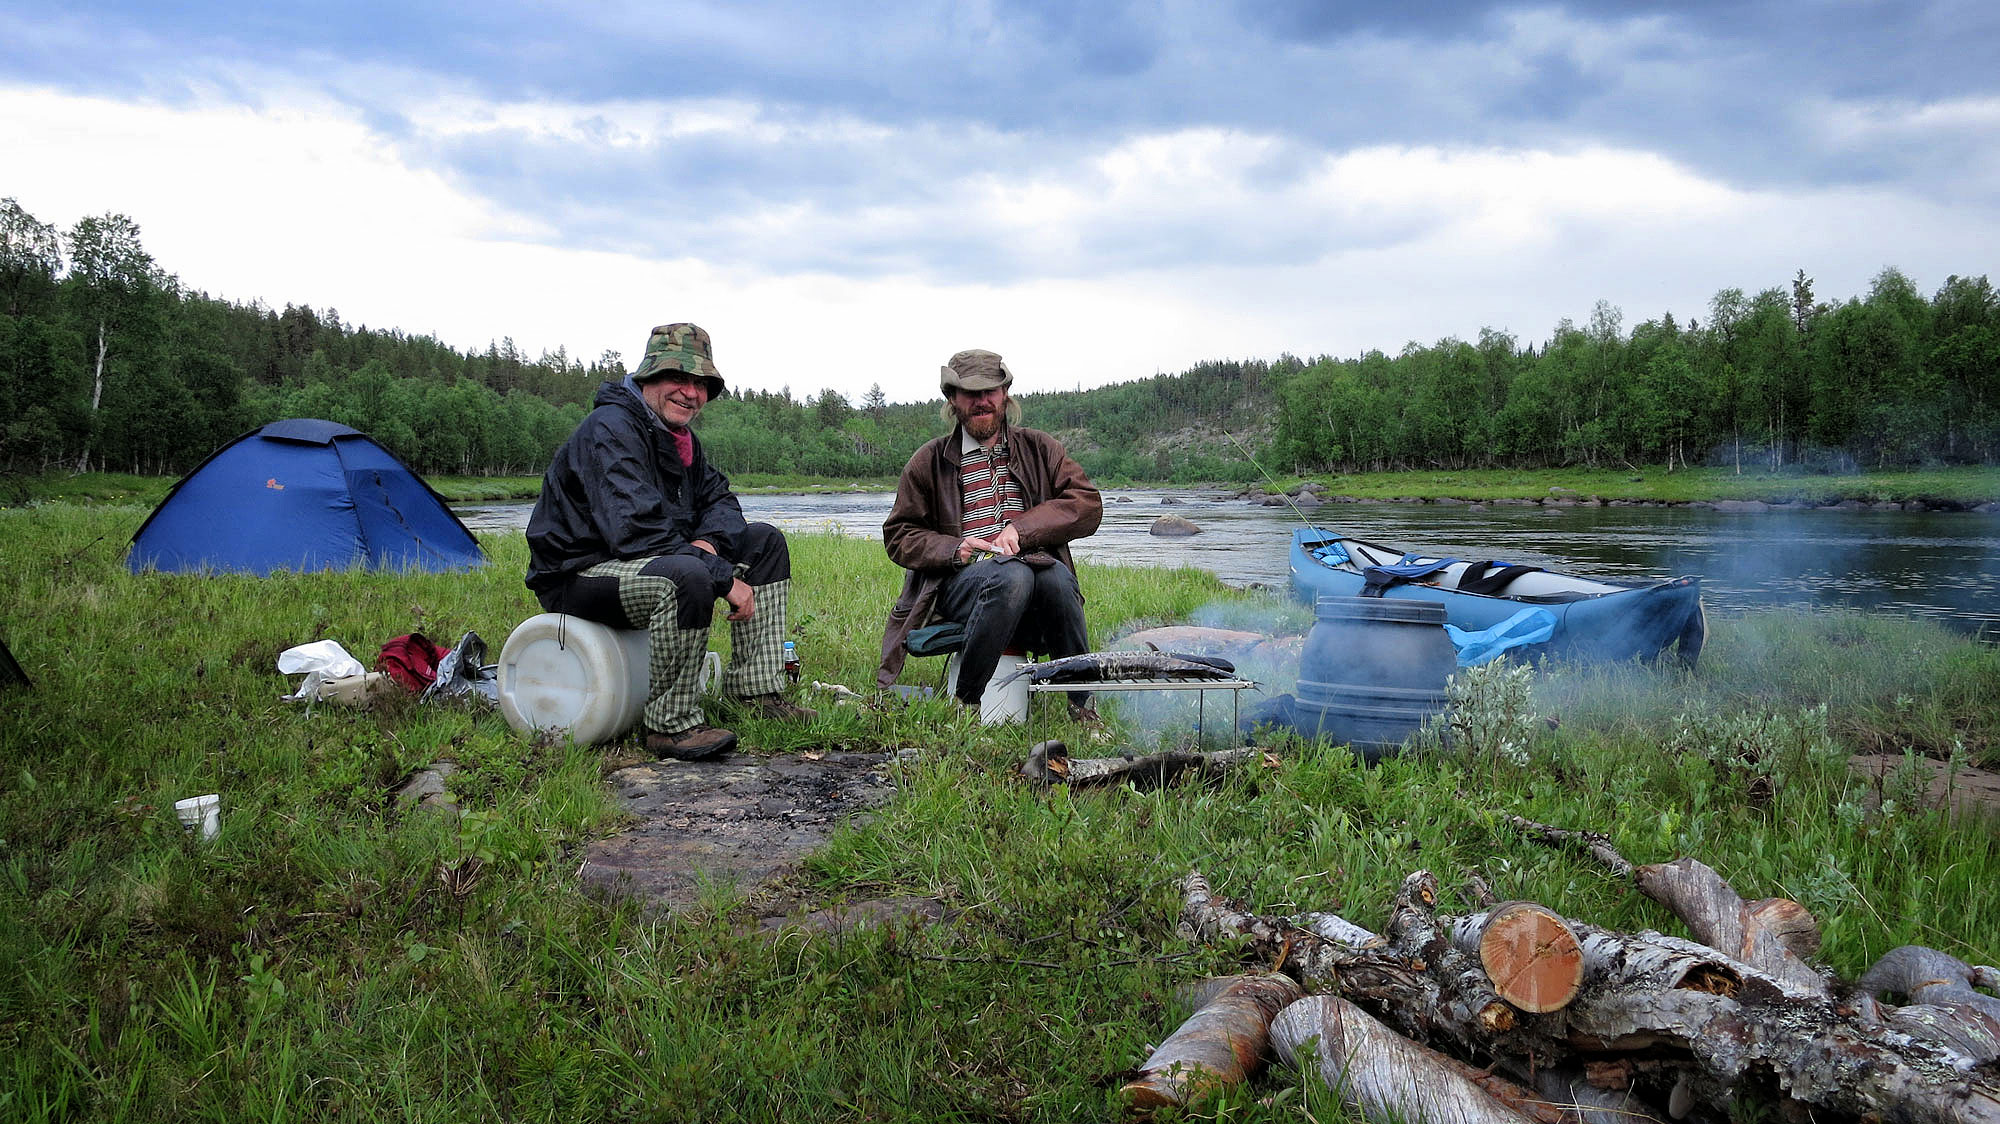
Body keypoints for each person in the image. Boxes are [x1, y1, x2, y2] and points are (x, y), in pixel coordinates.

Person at [525, 322, 811, 760]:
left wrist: (711, 545)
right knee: (687, 576)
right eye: (678, 379)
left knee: (764, 543)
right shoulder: (611, 428)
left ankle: (755, 692)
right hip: (579, 573)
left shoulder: (680, 440)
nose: (690, 393)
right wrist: (718, 575)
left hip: (639, 563)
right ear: (648, 379)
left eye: (700, 384)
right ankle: (669, 725)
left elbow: (721, 500)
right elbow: (637, 531)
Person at [878, 348, 1102, 713]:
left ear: (1005, 395)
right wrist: (954, 548)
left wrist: (1022, 529)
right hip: (960, 584)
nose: (982, 402)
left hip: (1036, 571)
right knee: (1011, 575)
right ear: (953, 399)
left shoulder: (1040, 448)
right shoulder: (929, 460)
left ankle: (1082, 704)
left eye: (990, 392)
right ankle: (966, 703)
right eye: (971, 394)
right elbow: (899, 535)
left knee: (1056, 579)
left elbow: (1087, 505)